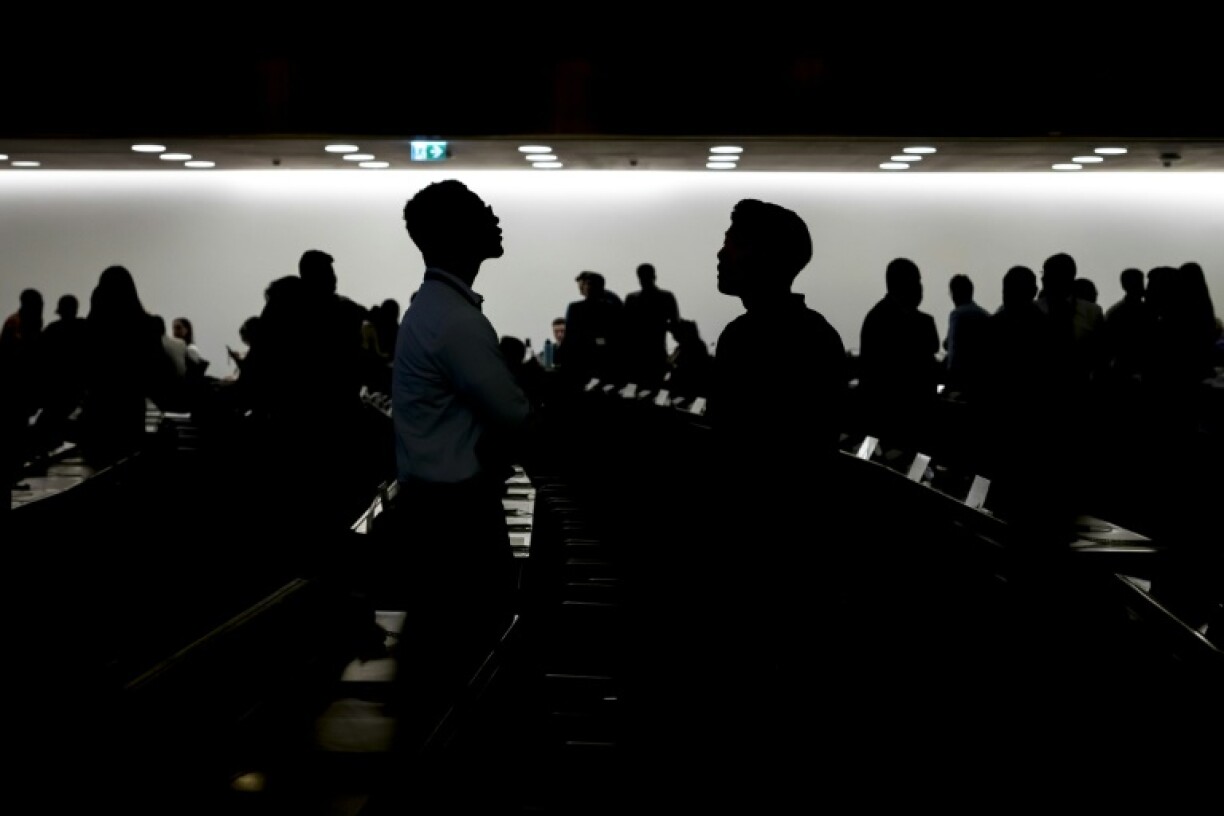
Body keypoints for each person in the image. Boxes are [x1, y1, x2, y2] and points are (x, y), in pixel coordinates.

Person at [384, 179, 534, 769]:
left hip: (434, 508)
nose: (494, 216)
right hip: (457, 516)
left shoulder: (435, 309)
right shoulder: (455, 321)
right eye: (480, 212)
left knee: (445, 659)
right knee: (468, 661)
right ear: (456, 234)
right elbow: (514, 415)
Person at [621, 262, 681, 391]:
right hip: (655, 351)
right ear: (655, 276)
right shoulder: (666, 297)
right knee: (654, 390)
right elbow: (675, 324)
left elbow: (624, 328)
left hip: (637, 353)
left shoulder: (632, 298)